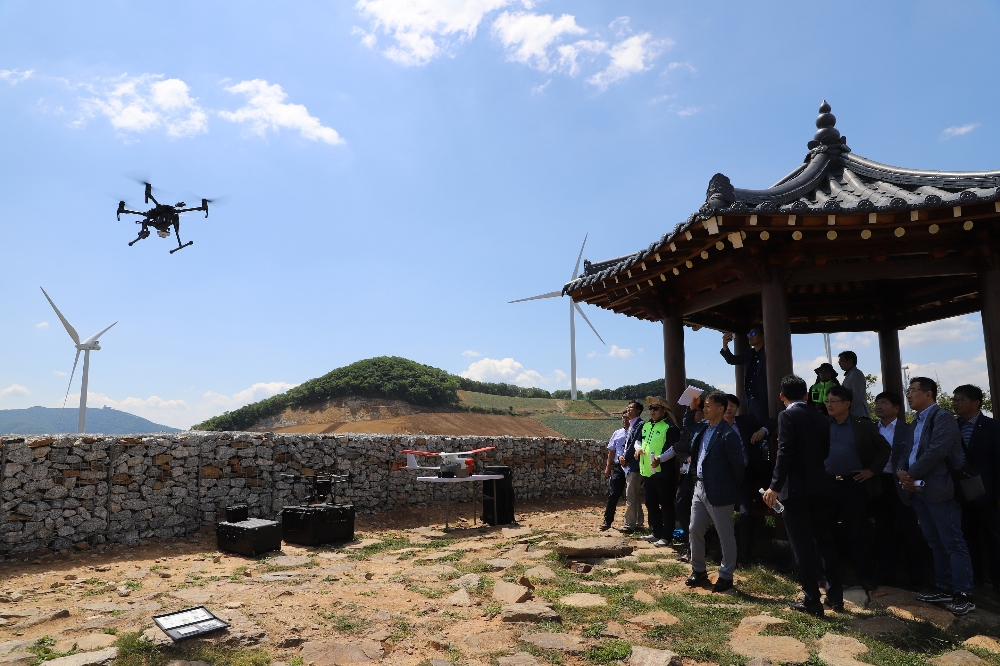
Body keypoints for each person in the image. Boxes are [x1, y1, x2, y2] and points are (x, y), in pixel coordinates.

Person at [763, 374, 842, 616]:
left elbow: (785, 451)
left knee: (802, 546)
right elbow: (827, 451)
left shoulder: (787, 415)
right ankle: (835, 598)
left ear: (781, 397)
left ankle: (812, 601)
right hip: (822, 487)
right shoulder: (822, 418)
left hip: (795, 490)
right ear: (807, 395)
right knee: (826, 541)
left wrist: (775, 486)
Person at [896, 376, 974, 616]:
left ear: (928, 394)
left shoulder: (943, 417)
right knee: (934, 540)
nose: (908, 395)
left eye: (912, 390)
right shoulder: (914, 421)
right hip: (917, 489)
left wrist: (909, 473)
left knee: (953, 541)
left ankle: (964, 593)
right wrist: (902, 473)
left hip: (940, 489)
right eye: (907, 391)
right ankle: (943, 586)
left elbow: (936, 451)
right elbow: (906, 450)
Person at [822, 385, 890, 594]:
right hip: (827, 484)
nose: (829, 404)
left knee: (858, 531)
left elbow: (884, 448)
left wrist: (872, 470)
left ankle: (865, 576)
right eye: (828, 401)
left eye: (834, 401)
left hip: (854, 484)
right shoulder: (822, 424)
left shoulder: (863, 426)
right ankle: (828, 577)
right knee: (826, 532)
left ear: (847, 404)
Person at [685, 391, 745, 592]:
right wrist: (690, 408)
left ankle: (726, 576)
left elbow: (738, 467)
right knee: (694, 528)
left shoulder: (729, 435)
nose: (705, 408)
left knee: (725, 534)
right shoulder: (702, 428)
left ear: (721, 409)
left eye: (709, 405)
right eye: (705, 405)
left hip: (720, 491)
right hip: (700, 487)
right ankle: (698, 569)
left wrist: (731, 491)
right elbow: (688, 426)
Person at [870, 391, 926, 588]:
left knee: (909, 529)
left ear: (896, 408)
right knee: (882, 530)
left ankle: (917, 577)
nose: (878, 406)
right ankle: (886, 575)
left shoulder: (907, 429)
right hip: (878, 482)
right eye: (877, 403)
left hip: (901, 483)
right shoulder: (870, 429)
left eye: (884, 403)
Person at [952, 384, 1000, 591]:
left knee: (994, 538)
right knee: (966, 537)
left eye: (960, 399)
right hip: (960, 494)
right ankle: (976, 579)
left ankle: (997, 580)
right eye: (954, 399)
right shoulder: (953, 427)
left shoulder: (992, 427)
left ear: (976, 403)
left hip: (986, 493)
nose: (955, 403)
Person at [725, 394, 775, 565]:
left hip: (744, 477)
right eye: (726, 404)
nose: (729, 408)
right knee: (719, 515)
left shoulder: (746, 422)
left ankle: (745, 555)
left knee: (746, 514)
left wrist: (762, 431)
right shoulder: (714, 427)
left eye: (733, 405)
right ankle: (722, 552)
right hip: (722, 479)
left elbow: (771, 422)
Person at [634, 396, 680, 547]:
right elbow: (638, 440)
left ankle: (667, 537)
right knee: (650, 503)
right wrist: (637, 448)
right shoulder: (646, 425)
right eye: (650, 409)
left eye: (655, 409)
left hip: (663, 472)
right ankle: (656, 532)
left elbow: (674, 448)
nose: (652, 411)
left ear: (664, 411)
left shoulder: (670, 427)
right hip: (647, 471)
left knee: (666, 505)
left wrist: (661, 458)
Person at [721, 327, 768, 420]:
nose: (750, 337)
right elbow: (732, 360)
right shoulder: (749, 353)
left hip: (765, 399)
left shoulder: (769, 352)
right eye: (749, 334)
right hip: (750, 400)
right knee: (752, 427)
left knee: (764, 427)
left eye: (753, 334)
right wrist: (725, 344)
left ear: (763, 336)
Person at [618, 401, 646, 533]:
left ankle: (629, 525)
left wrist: (626, 458)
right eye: (627, 407)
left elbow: (635, 443)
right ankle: (639, 522)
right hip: (629, 465)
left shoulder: (640, 425)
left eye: (631, 407)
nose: (628, 410)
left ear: (639, 411)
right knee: (634, 495)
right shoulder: (631, 425)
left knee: (631, 496)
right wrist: (621, 457)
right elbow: (627, 443)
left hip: (634, 465)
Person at [600, 411, 631, 531]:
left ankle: (632, 523)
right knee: (613, 494)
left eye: (627, 418)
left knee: (632, 496)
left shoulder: (636, 432)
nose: (625, 420)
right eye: (623, 417)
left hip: (631, 467)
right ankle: (607, 520)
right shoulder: (617, 433)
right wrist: (608, 467)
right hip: (618, 467)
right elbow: (611, 451)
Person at [838, 351, 869, 419]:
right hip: (853, 413)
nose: (839, 363)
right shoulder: (851, 374)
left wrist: (846, 408)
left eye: (842, 360)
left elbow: (857, 394)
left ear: (850, 361)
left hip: (859, 414)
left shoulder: (856, 374)